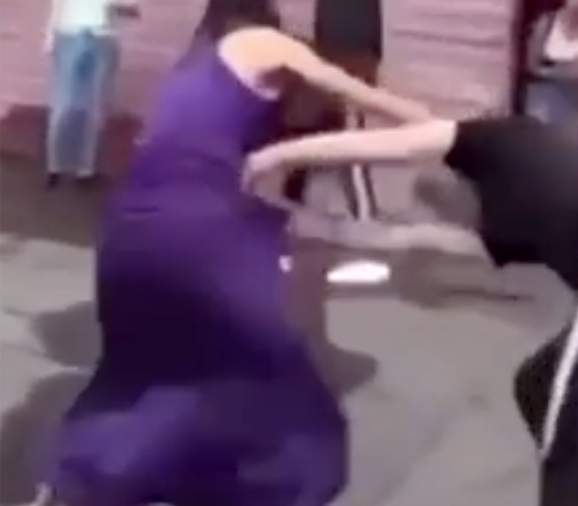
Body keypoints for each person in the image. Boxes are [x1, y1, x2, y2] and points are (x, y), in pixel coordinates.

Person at [29, 0, 429, 504]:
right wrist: (450, 132)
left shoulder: (192, 73)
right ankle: (229, 473)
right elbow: (362, 95)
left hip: (132, 226)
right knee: (254, 359)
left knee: (147, 363)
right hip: (198, 231)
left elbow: (209, 162)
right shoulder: (260, 43)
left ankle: (84, 477)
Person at [244, 115, 578, 506]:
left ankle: (568, 482)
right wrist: (290, 217)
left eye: (446, 206)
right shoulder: (501, 226)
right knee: (535, 386)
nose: (456, 216)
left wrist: (278, 155)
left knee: (567, 455)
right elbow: (396, 239)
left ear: (457, 178)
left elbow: (387, 144)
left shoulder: (497, 139)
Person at [43, 0, 140, 188]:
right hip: (69, 34)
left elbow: (133, 10)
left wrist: (117, 5)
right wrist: (50, 36)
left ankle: (85, 169)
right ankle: (55, 166)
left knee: (95, 108)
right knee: (63, 106)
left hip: (102, 37)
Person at [523, 0, 578, 144]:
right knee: (537, 145)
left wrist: (549, 67)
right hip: (541, 97)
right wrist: (567, 68)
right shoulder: (547, 22)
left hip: (572, 100)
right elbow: (531, 64)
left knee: (565, 147)